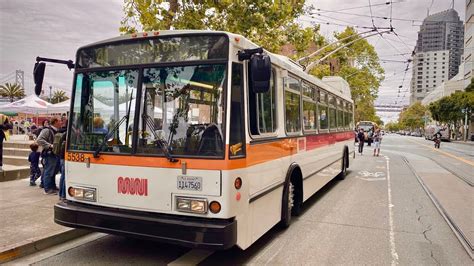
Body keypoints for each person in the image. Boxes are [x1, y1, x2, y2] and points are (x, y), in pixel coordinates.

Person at [36, 117, 61, 195]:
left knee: (53, 172)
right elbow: (39, 140)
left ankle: (53, 187)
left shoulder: (55, 130)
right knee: (48, 171)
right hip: (49, 154)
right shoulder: (47, 130)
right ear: (55, 122)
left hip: (55, 154)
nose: (61, 123)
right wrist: (50, 145)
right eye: (59, 121)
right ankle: (47, 189)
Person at [58, 119, 68, 201]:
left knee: (63, 176)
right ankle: (64, 195)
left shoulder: (64, 133)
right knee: (66, 176)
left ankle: (61, 194)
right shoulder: (70, 133)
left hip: (61, 157)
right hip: (65, 157)